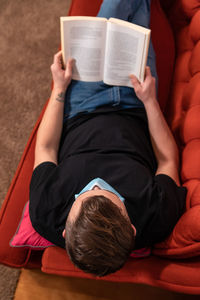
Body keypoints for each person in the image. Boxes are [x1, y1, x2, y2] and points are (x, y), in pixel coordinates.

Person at [29, 0, 187, 277]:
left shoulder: (46, 211)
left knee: (114, 10)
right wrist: (150, 101)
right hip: (137, 104)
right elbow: (167, 159)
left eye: (86, 192)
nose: (96, 184)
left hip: (81, 103)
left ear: (65, 230)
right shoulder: (157, 215)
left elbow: (45, 147)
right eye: (111, 194)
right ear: (133, 227)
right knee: (136, 14)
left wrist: (59, 88)